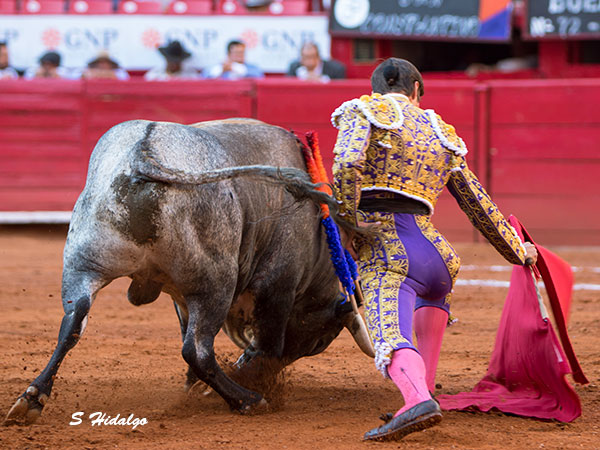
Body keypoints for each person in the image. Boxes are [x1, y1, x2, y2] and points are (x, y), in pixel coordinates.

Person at [331, 57, 538, 441]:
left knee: (391, 340)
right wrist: (517, 250)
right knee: (428, 306)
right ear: (415, 90)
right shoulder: (440, 130)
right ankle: (423, 392)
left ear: (376, 89)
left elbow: (346, 165)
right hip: (437, 258)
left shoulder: (364, 111)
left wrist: (347, 222)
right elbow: (477, 203)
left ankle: (416, 400)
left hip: (388, 252)